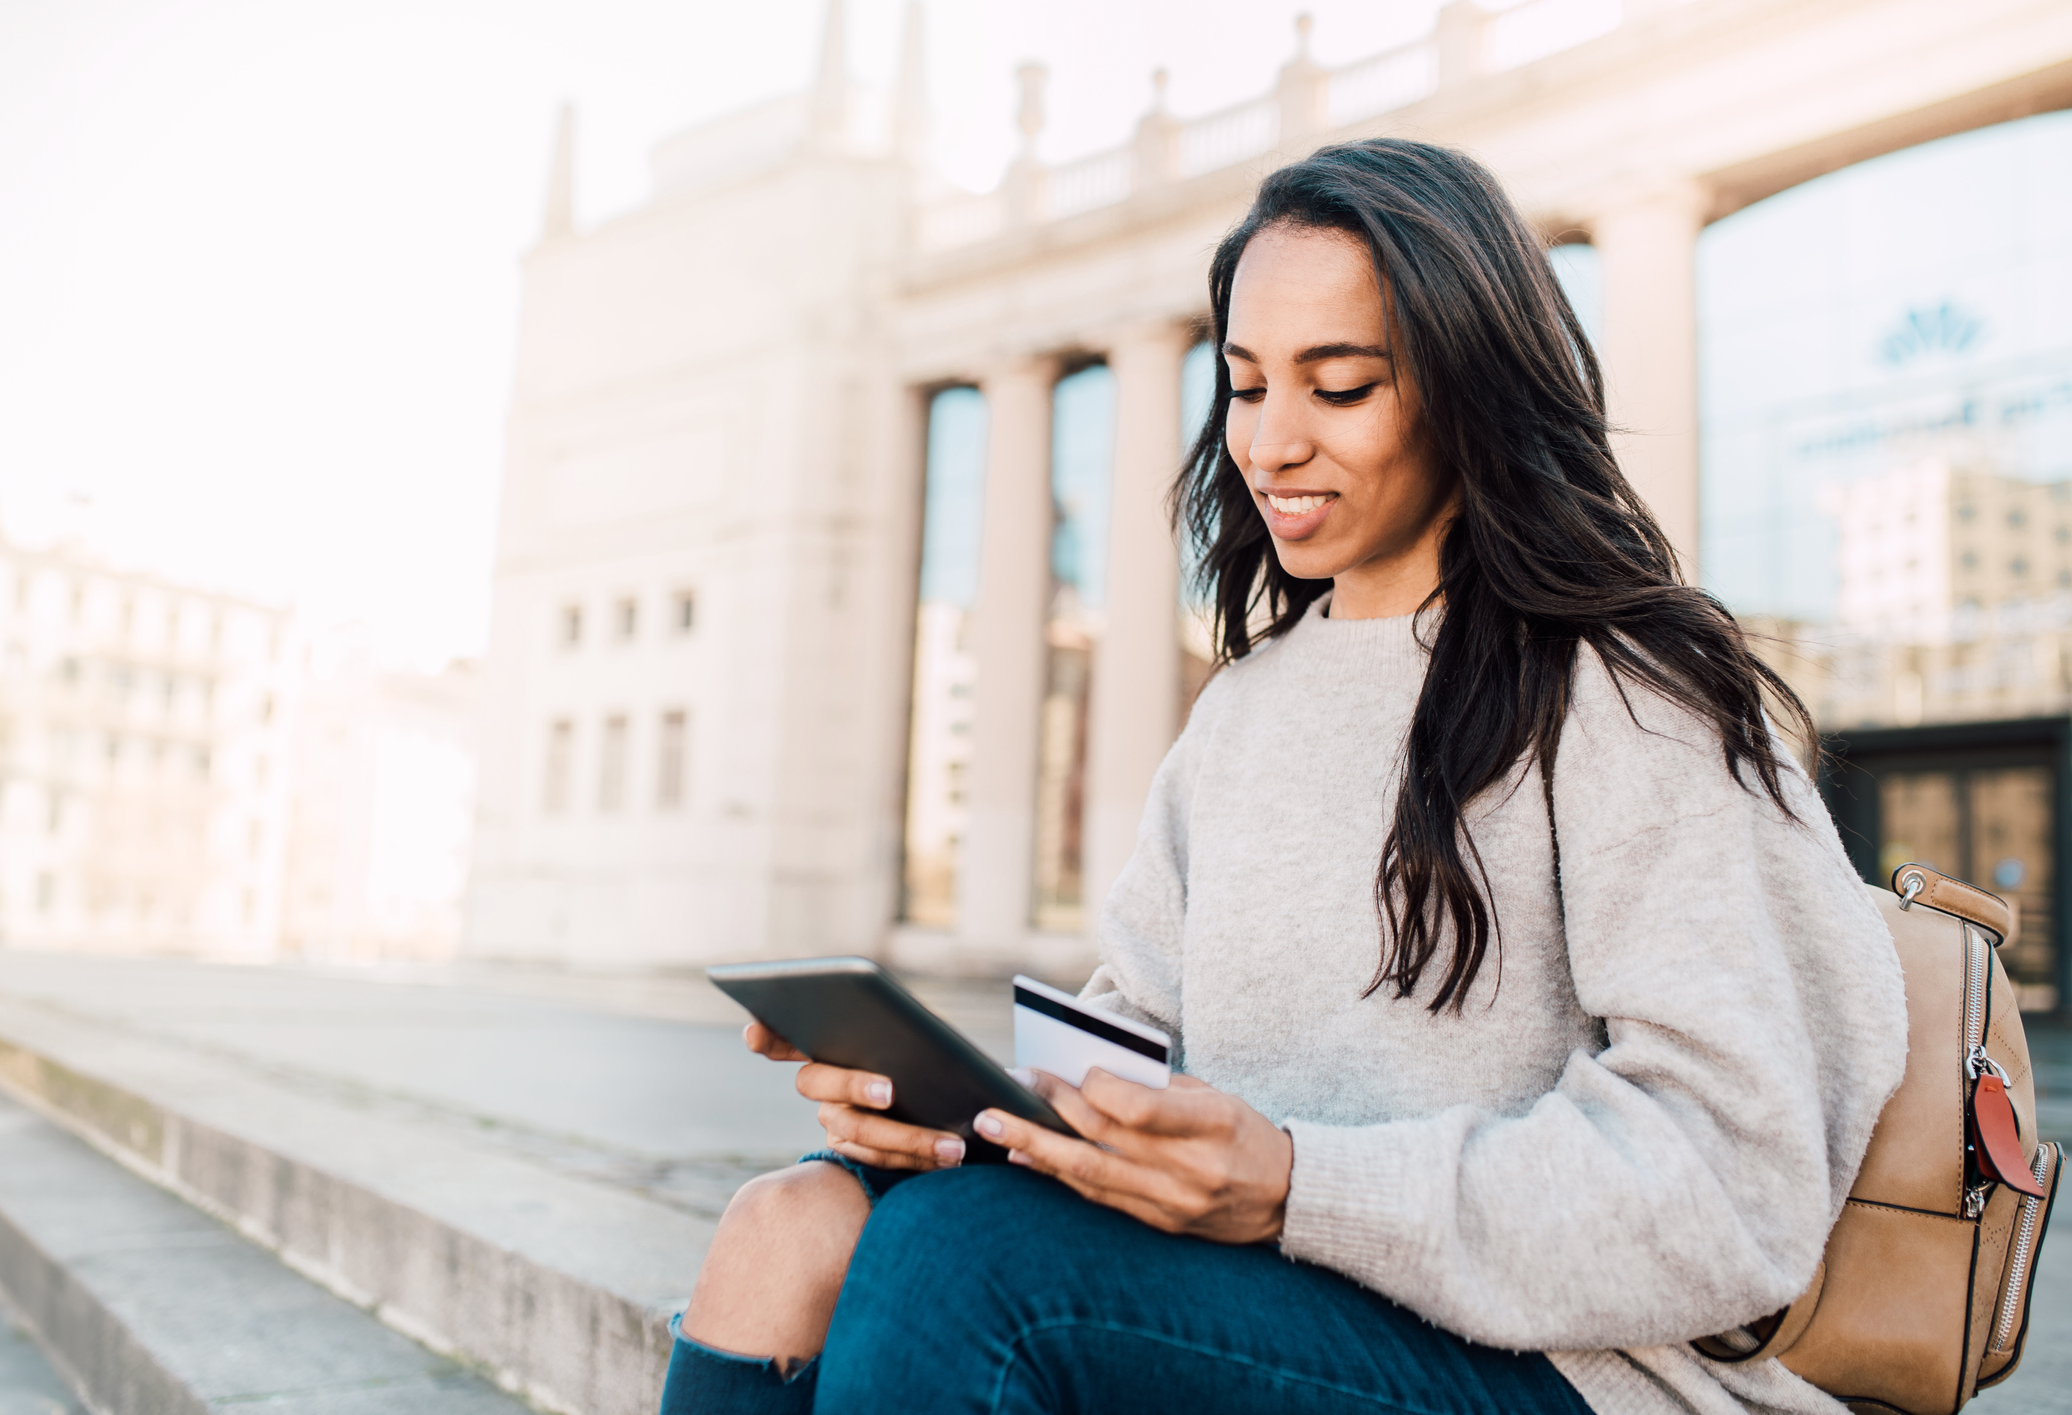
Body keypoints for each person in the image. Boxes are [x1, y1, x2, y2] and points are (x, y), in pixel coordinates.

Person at [657, 137, 1910, 1415]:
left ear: (1470, 386)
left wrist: (1303, 1182)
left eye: (1343, 385)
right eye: (1246, 386)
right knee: (794, 1218)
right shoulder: (1242, 711)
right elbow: (1130, 1054)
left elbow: (1733, 1184)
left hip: (1569, 1371)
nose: (1272, 442)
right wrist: (956, 1116)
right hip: (1260, 1300)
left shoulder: (1631, 692)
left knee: (963, 1261)